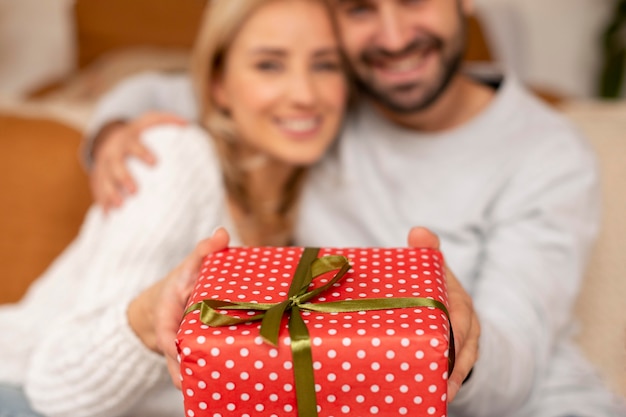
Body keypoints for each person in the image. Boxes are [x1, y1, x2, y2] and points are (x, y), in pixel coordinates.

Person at [83, 1, 626, 417]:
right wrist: (113, 132)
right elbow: (170, 87)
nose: (392, 37)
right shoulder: (324, 100)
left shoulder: (547, 152)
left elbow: (520, 363)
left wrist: (458, 338)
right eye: (360, 7)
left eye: (414, 1)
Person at [0, 0, 350, 415]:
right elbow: (58, 390)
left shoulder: (314, 203)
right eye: (269, 65)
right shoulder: (174, 161)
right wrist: (147, 320)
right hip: (22, 389)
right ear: (218, 85)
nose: (304, 95)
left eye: (326, 65)